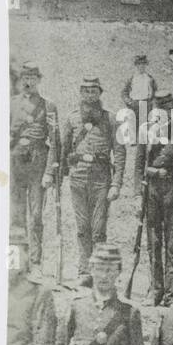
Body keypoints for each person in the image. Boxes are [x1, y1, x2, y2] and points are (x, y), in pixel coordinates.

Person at [46, 75, 125, 287]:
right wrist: (57, 179)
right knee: (82, 228)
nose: (90, 95)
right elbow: (61, 151)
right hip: (78, 178)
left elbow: (119, 152)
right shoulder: (72, 119)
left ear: (100, 93)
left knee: (98, 228)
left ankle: (98, 271)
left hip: (101, 180)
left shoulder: (111, 119)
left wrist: (116, 183)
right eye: (86, 91)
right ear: (81, 93)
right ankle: (83, 271)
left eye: (94, 91)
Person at [134, 90, 173, 305]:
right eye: (160, 108)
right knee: (153, 241)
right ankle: (155, 290)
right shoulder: (146, 133)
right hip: (151, 192)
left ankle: (170, 293)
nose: (164, 111)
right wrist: (136, 195)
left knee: (171, 243)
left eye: (168, 108)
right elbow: (139, 165)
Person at [11, 61, 57, 268]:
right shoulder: (11, 104)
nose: (29, 82)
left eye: (33, 78)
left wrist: (49, 172)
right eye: (25, 78)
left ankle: (36, 262)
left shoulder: (48, 106)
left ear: (39, 81)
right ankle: (15, 264)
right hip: (16, 165)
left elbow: (55, 142)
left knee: (36, 215)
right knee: (15, 214)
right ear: (21, 81)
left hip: (38, 165)